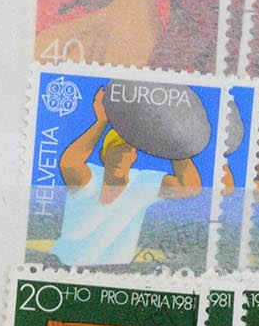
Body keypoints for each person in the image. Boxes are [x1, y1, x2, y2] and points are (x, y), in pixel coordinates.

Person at [50, 85, 203, 268]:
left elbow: (190, 187)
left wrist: (172, 142)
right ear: (103, 155)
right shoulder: (91, 179)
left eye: (126, 151)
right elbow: (68, 164)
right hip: (62, 268)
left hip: (113, 273)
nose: (120, 157)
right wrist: (101, 122)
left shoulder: (143, 182)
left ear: (133, 157)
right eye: (114, 150)